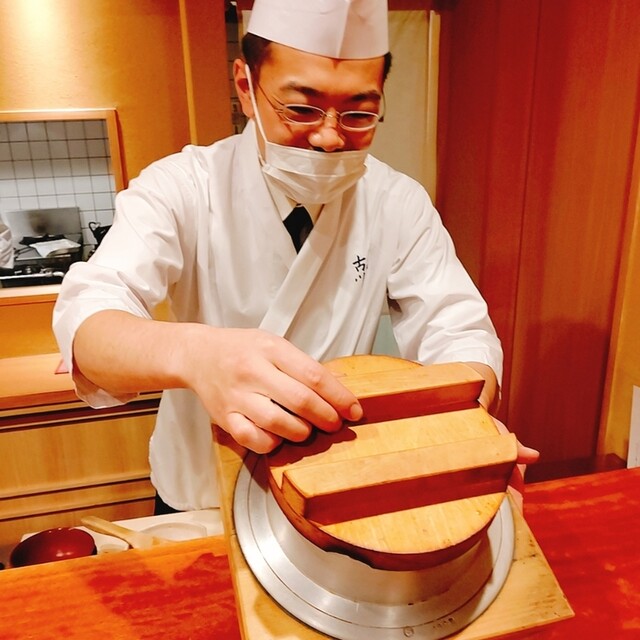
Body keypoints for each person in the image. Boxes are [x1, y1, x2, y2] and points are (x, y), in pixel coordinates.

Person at [53, 0, 538, 514]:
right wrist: (194, 354)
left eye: (358, 114)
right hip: (201, 497)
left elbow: (457, 329)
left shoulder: (396, 201)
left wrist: (464, 424)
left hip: (339, 489)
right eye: (301, 110)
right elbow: (90, 321)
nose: (329, 137)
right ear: (246, 86)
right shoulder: (184, 186)